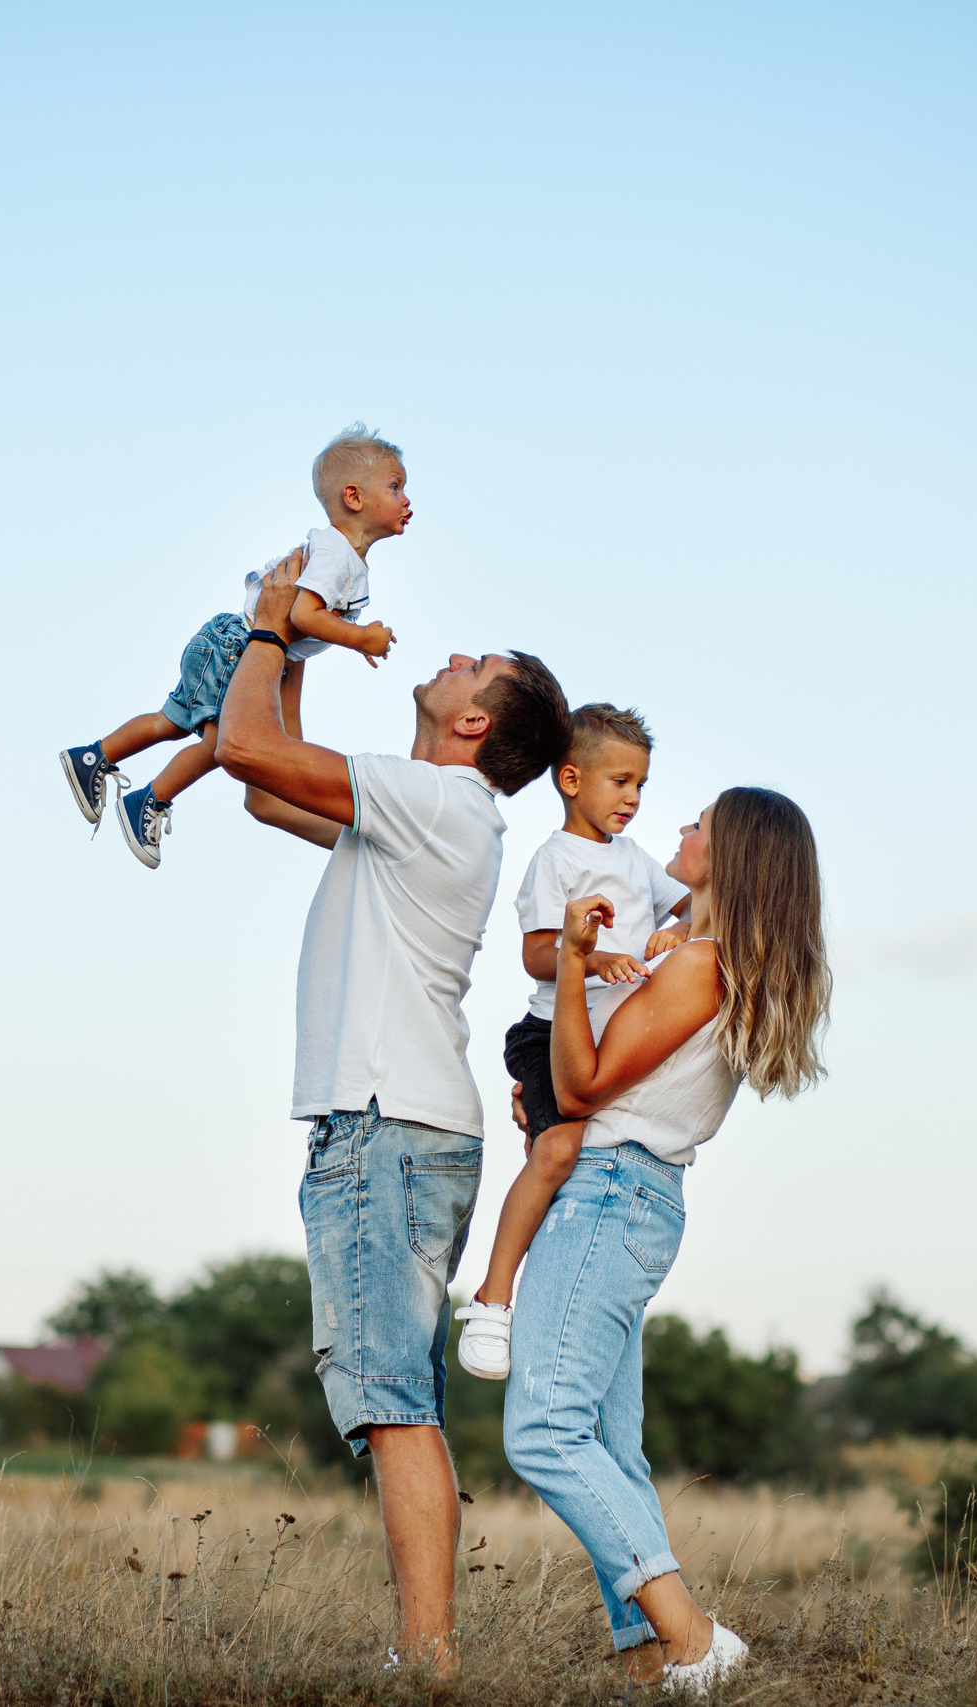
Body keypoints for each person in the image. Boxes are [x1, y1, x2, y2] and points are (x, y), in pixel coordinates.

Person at [216, 551, 568, 1673]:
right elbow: (269, 788)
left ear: (475, 725)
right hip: (397, 1126)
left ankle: (427, 1658)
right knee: (393, 1395)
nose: (452, 656)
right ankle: (426, 1651)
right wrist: (303, 656)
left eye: (477, 666)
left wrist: (272, 627)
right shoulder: (417, 811)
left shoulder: (439, 801)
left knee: (392, 1401)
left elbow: (237, 747)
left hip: (386, 1125)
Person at [500, 787, 831, 1696]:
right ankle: (647, 1662)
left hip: (610, 1195)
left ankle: (691, 1638)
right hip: (630, 1195)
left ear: (737, 855)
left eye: (702, 821)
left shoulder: (697, 966)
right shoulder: (695, 956)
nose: (682, 826)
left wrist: (570, 962)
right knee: (608, 1440)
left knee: (542, 1431)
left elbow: (582, 1082)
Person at [454, 703, 690, 1380]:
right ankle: (493, 1298)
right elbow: (533, 955)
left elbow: (696, 905)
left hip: (605, 1044)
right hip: (550, 1031)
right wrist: (591, 955)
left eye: (640, 784)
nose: (633, 798)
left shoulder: (638, 859)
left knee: (575, 1160)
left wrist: (679, 928)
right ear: (570, 778)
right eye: (619, 781)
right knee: (558, 1146)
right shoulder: (554, 860)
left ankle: (556, 1299)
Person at [55, 424, 407, 868]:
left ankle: (93, 757)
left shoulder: (340, 556)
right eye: (395, 487)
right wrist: (360, 639)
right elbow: (300, 615)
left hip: (232, 642)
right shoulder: (338, 556)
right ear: (354, 497)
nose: (406, 499)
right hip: (240, 645)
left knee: (171, 722)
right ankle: (148, 799)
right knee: (219, 743)